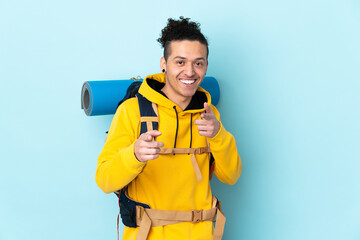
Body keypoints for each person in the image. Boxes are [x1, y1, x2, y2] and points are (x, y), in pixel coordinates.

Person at [95, 16, 242, 240]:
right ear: (164, 63)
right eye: (180, 62)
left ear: (206, 66)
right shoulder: (132, 111)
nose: (190, 72)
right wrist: (134, 154)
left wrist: (218, 134)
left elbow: (231, 176)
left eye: (198, 63)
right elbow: (105, 180)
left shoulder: (208, 113)